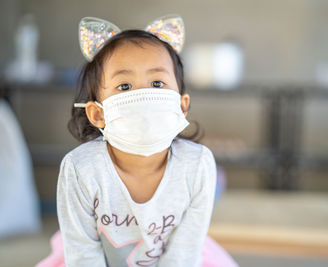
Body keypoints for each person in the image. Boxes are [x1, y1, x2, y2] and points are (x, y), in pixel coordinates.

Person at [36, 16, 238, 267]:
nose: (144, 95)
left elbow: (184, 254)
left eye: (157, 83)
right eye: (124, 86)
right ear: (97, 114)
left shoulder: (197, 165)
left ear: (182, 105)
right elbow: (82, 252)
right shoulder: (80, 169)